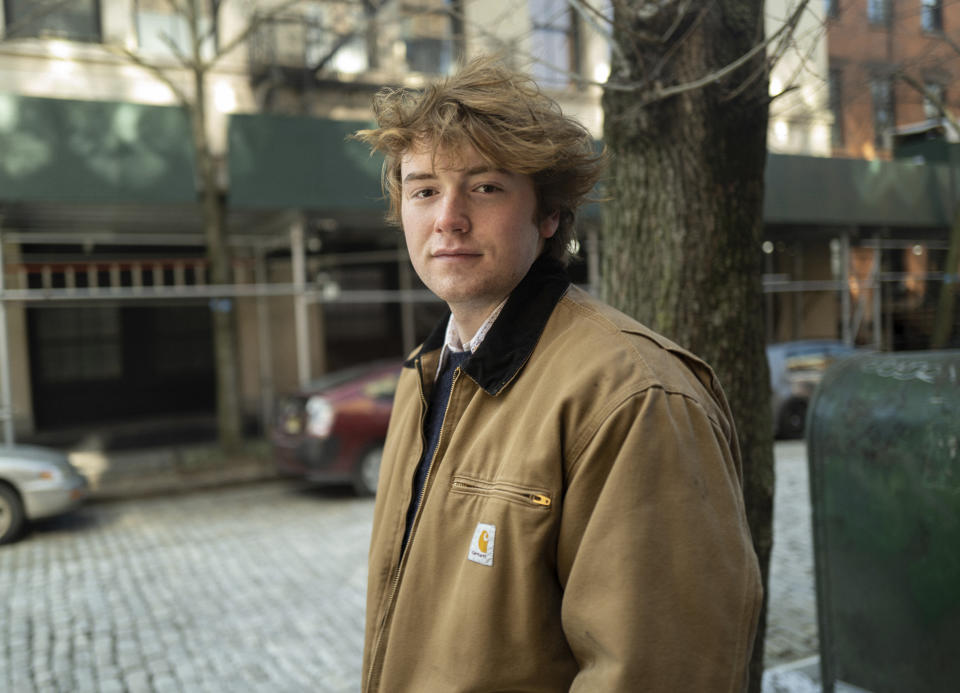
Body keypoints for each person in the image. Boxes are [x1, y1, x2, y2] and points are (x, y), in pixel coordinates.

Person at [354, 57, 762, 692]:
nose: (448, 218)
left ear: (548, 216)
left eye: (485, 186)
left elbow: (659, 672)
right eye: (424, 189)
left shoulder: (634, 395)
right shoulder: (427, 374)